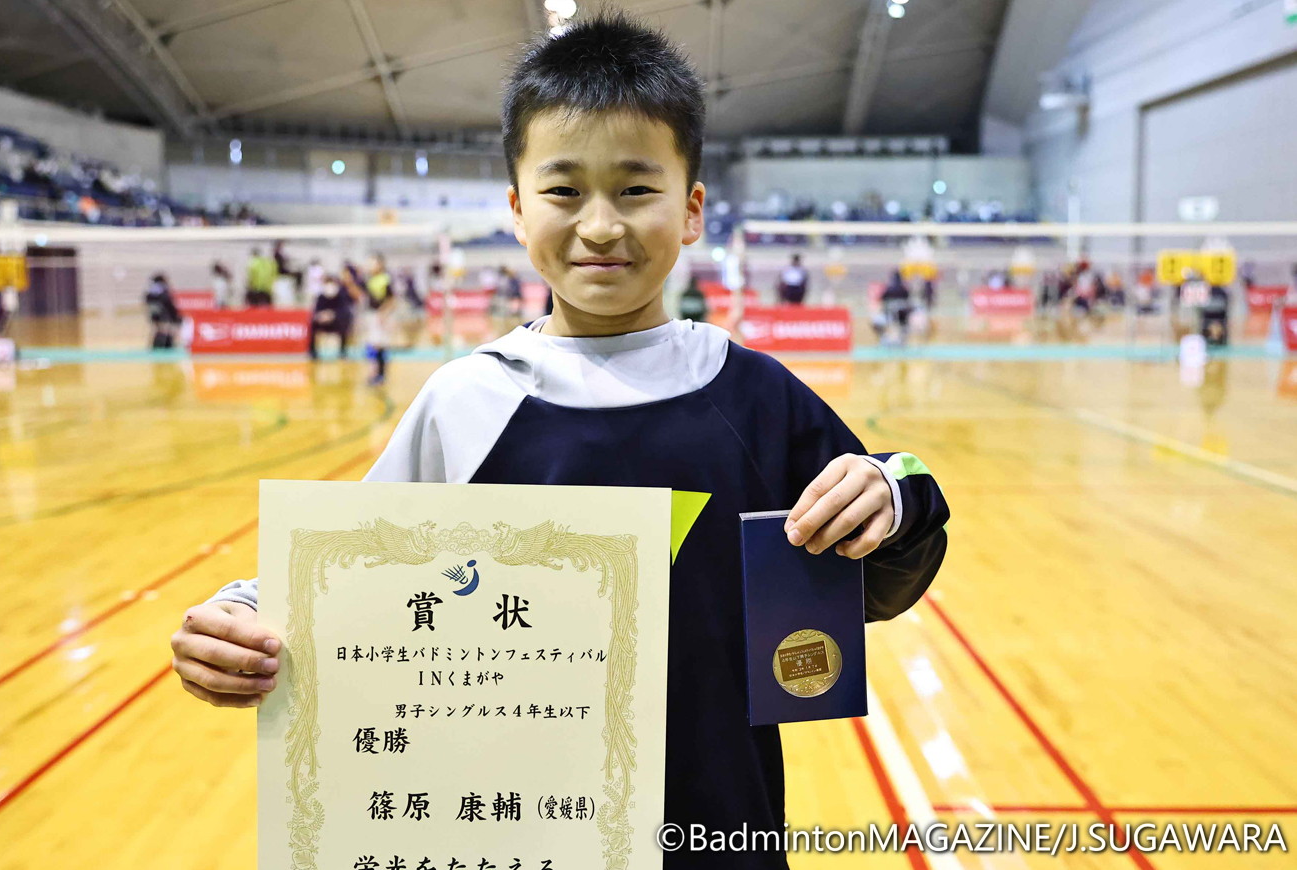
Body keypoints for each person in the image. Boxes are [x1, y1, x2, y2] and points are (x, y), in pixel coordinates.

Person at [170, 14, 948, 870]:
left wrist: (896, 494)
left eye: (637, 189)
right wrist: (242, 619)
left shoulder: (752, 394)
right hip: (513, 835)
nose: (602, 225)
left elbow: (881, 577)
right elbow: (342, 579)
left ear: (692, 210)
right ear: (515, 209)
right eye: (565, 190)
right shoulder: (466, 401)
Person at [307, 274, 353, 360]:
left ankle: (342, 352)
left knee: (345, 324)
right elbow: (316, 310)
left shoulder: (341, 296)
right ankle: (312, 352)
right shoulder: (321, 297)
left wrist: (332, 315)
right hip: (323, 322)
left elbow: (344, 311)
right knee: (313, 324)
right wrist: (321, 316)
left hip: (336, 322)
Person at [363, 255, 393, 384]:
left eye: (374, 263)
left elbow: (392, 299)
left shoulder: (385, 279)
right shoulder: (370, 279)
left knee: (379, 345)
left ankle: (380, 373)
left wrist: (383, 313)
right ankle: (375, 373)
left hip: (380, 316)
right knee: (372, 344)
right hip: (372, 314)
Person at [145, 273, 182, 349]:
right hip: (163, 314)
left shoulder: (151, 290)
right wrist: (175, 315)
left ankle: (156, 345)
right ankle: (165, 345)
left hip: (154, 314)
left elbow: (147, 301)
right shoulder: (163, 289)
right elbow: (168, 302)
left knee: (158, 329)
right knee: (165, 329)